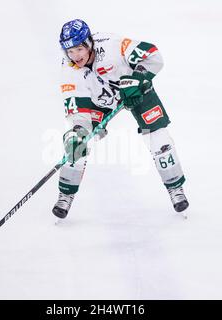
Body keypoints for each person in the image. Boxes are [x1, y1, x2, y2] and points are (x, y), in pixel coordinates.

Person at [53, 19, 189, 219]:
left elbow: (153, 55)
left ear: (89, 43)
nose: (75, 56)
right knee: (76, 143)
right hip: (100, 100)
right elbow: (78, 112)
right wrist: (77, 134)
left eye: (79, 49)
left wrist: (136, 79)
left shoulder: (112, 46)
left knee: (159, 138)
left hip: (135, 90)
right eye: (70, 52)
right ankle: (65, 196)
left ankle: (176, 189)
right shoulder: (69, 70)